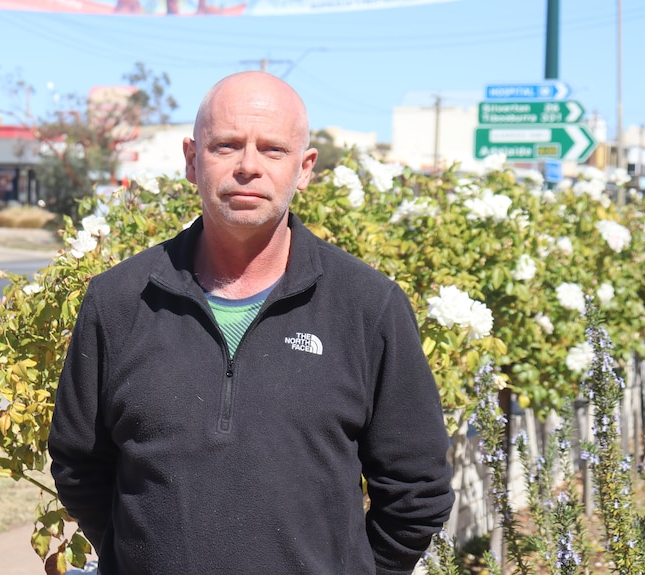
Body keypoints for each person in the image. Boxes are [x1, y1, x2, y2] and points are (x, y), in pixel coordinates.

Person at [49, 71, 454, 575]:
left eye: (272, 150)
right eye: (226, 146)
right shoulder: (118, 301)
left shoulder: (369, 308)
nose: (248, 167)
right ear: (193, 161)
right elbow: (79, 465)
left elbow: (418, 489)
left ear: (304, 169)